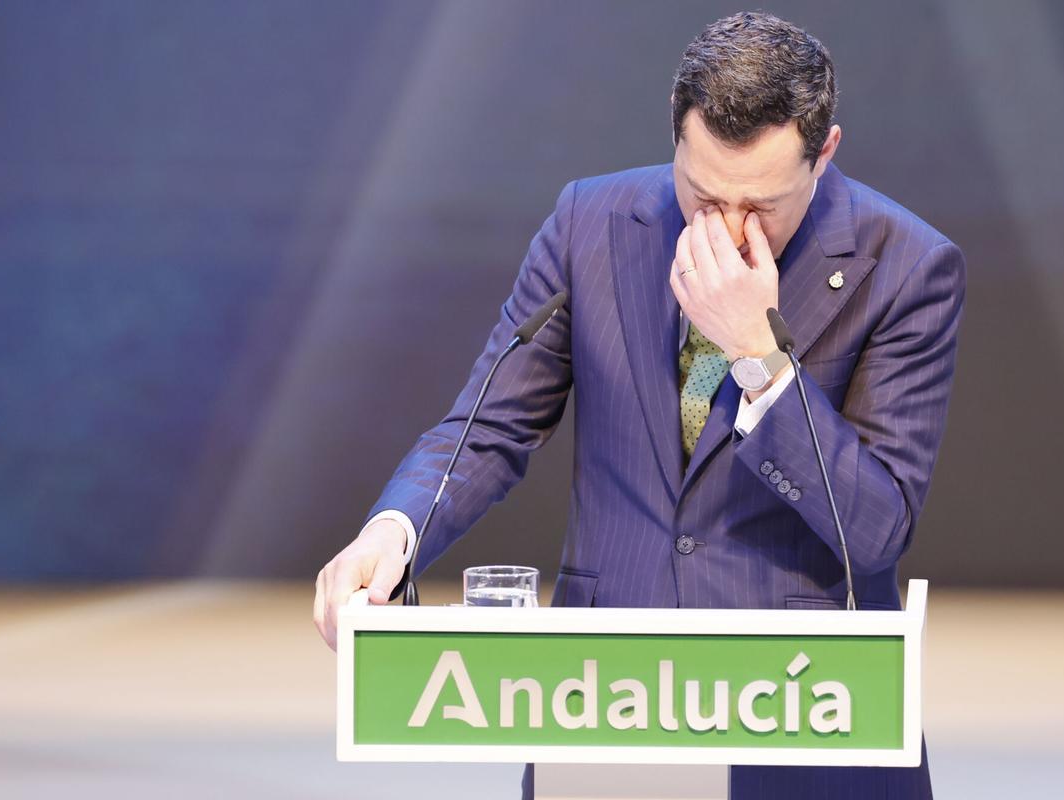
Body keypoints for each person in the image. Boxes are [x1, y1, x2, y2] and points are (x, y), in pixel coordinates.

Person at [314, 11, 961, 799]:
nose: (725, 226)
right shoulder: (591, 222)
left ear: (823, 154)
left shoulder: (907, 264)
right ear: (676, 138)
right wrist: (396, 529)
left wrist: (759, 358)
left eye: (760, 205)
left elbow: (877, 527)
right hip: (603, 704)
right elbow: (491, 425)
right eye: (701, 193)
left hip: (804, 711)